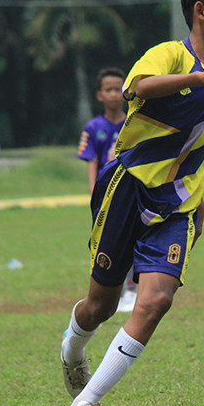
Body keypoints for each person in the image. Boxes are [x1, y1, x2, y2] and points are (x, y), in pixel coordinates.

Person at [59, 0, 204, 406]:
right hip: (126, 190)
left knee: (155, 300)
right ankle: (72, 347)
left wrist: (199, 204)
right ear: (200, 12)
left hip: (175, 206)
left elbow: (192, 147)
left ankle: (83, 405)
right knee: (100, 307)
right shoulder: (169, 54)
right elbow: (137, 89)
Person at [78, 67, 137, 313]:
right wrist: (94, 192)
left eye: (118, 89)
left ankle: (131, 290)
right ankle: (113, 289)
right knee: (108, 243)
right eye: (108, 90)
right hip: (107, 194)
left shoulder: (135, 122)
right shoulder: (93, 127)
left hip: (132, 191)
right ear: (99, 95)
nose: (114, 94)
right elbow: (92, 161)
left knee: (134, 239)